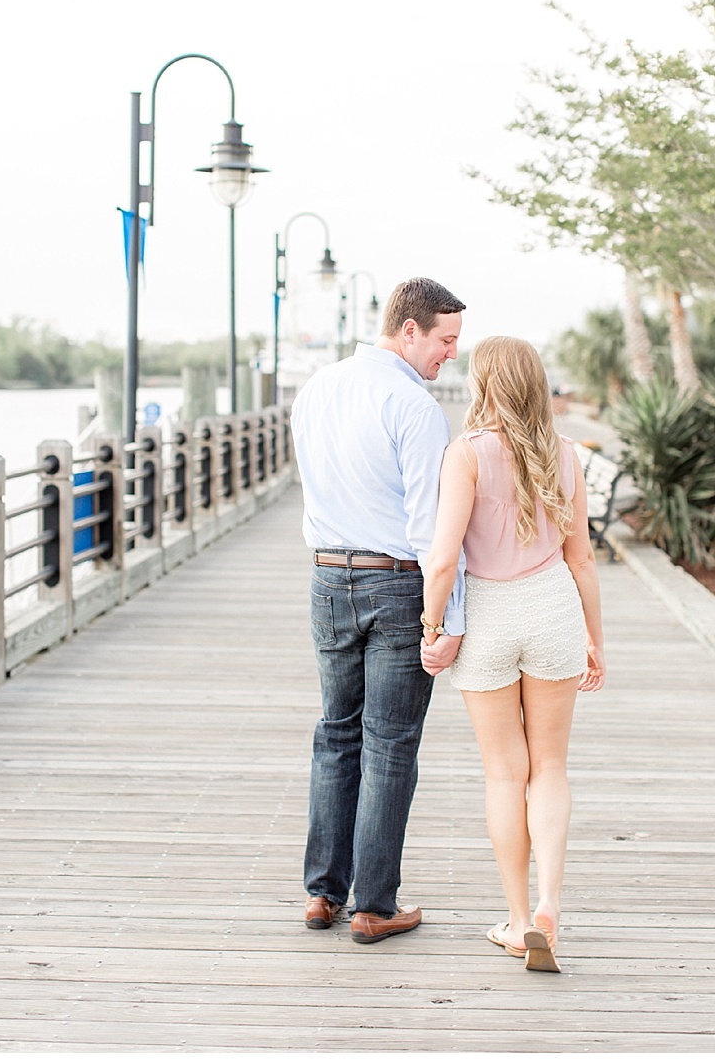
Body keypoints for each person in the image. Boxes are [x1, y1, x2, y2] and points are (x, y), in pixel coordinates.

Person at [419, 335, 605, 974]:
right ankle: (552, 906)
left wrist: (431, 624)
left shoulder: (465, 454)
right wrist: (595, 639)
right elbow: (581, 556)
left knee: (505, 772)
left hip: (490, 620)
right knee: (549, 767)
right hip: (553, 609)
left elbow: (444, 558)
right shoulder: (566, 453)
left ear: (484, 384)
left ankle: (520, 920)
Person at [289, 277, 466, 944]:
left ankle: (321, 894)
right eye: (445, 340)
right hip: (396, 581)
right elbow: (430, 529)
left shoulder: (316, 388)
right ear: (411, 328)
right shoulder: (414, 407)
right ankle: (375, 904)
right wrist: (444, 621)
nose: (450, 354)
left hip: (328, 577)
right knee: (388, 743)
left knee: (336, 731)